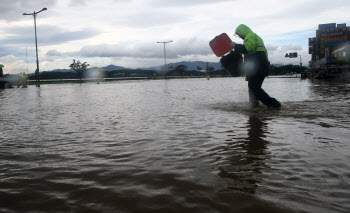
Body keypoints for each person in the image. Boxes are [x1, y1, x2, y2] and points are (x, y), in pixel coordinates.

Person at [231, 24, 281, 109]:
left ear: (243, 32)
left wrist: (235, 45)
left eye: (240, 35)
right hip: (259, 67)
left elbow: (247, 49)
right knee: (252, 89)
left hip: (258, 68)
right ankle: (254, 106)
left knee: (255, 89)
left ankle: (274, 104)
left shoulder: (250, 36)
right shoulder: (254, 37)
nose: (240, 37)